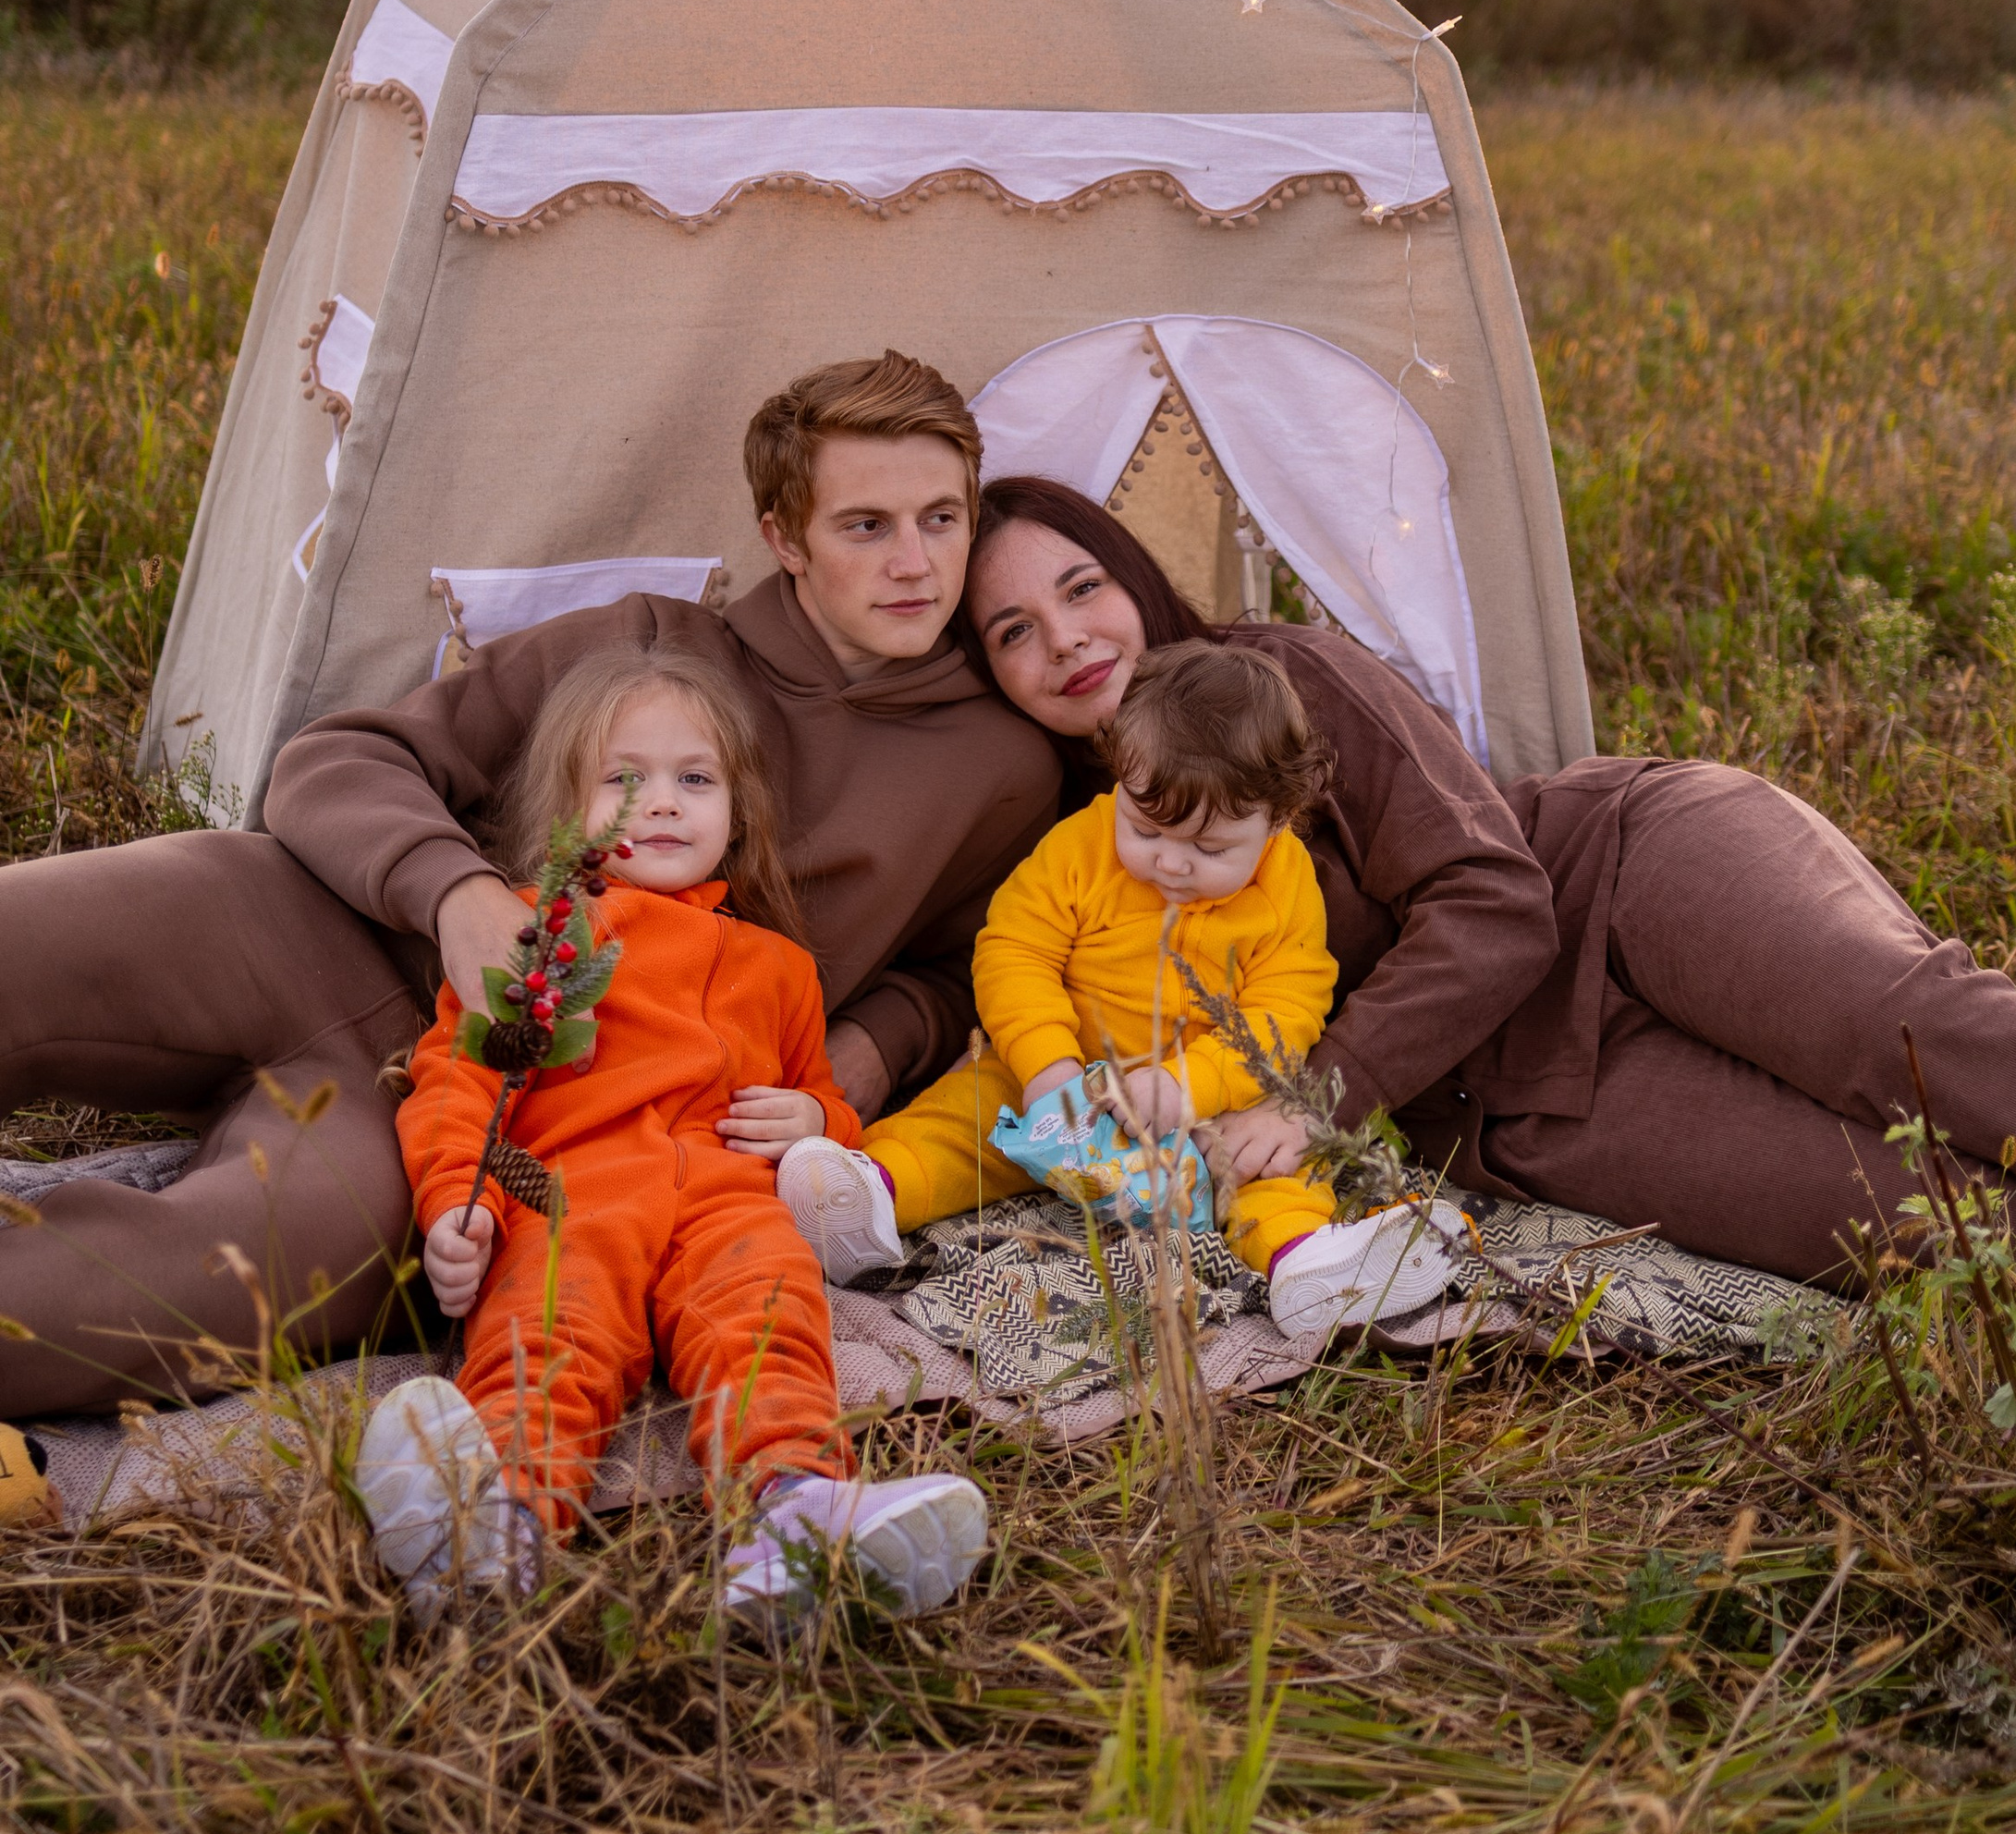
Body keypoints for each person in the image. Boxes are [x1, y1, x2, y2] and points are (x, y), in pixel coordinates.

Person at [946, 477, 2016, 1305]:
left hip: (1620, 879)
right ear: (990, 672)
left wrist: (1309, 1097)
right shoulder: (1076, 845)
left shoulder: (1279, 676)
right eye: (1015, 627)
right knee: (1890, 1215)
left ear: (1133, 576)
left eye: (1083, 587)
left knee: (1901, 1033)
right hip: (1508, 1105)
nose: (1066, 638)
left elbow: (1495, 899)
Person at [0, 355, 1059, 1418]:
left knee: (195, 1280)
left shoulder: (999, 769)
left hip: (489, 1115)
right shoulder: (648, 641)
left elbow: (962, 967)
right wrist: (460, 897)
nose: (915, 563)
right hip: (308, 926)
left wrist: (856, 1065)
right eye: (865, 526)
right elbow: (339, 761)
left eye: (941, 519)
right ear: (784, 539)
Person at [358, 648, 988, 1628]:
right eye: (622, 780)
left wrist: (817, 1120)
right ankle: (498, 1523)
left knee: (768, 1321)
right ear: (567, 811)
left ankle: (793, 1508)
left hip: (722, 1196)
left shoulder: (777, 966)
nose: (660, 803)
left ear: (737, 809)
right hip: (569, 1193)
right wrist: (458, 1204)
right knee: (548, 1333)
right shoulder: (532, 930)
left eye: (693, 780)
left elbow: (822, 1097)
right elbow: (457, 1079)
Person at [780, 642, 1468, 1333]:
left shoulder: (1289, 889)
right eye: (1146, 829)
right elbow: (1014, 950)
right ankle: (866, 1199)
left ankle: (1305, 1262)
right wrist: (1046, 1063)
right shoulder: (1082, 848)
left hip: (1203, 1106)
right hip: (1057, 1078)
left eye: (1210, 849)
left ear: (1279, 821)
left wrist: (1190, 1086)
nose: (1170, 862)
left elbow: (1285, 1013)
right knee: (963, 1116)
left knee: (1270, 1160)